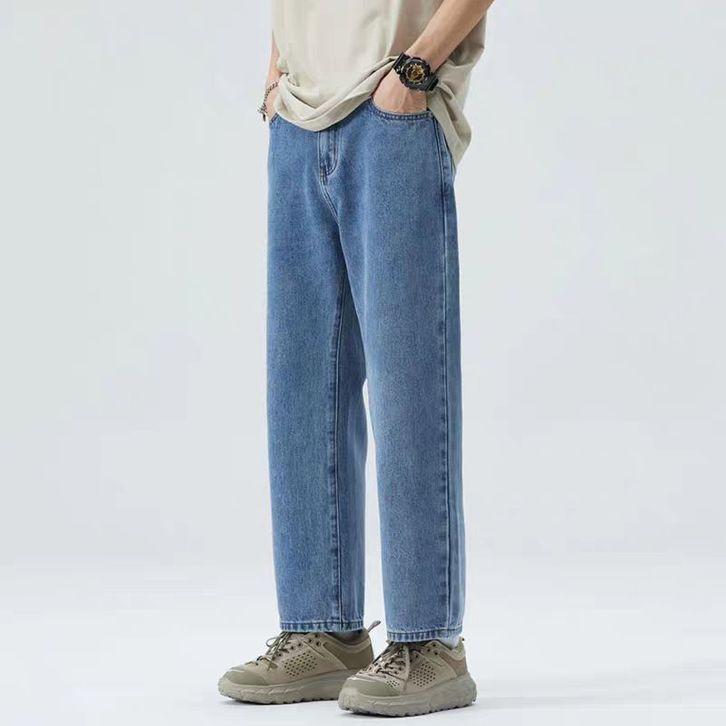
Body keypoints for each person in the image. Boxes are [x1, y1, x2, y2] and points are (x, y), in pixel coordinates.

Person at [218, 0, 494, 716]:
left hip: (394, 103)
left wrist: (416, 70)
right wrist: (276, 76)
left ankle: (430, 644)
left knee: (409, 385)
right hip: (297, 115)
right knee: (301, 385)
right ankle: (322, 629)